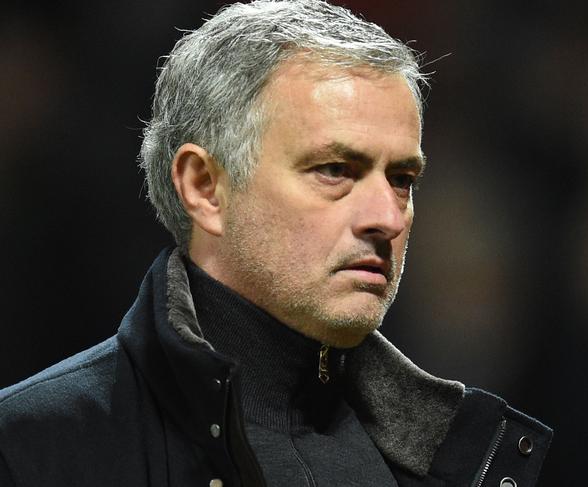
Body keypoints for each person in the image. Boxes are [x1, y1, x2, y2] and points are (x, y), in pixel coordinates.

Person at [0, 1, 552, 485]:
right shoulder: (29, 449)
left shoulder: (463, 455)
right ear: (205, 186)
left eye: (402, 179)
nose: (388, 217)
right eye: (335, 169)